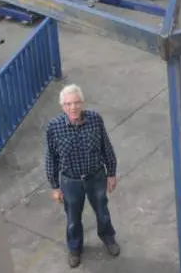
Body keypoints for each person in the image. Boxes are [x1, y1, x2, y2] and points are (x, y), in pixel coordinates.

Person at [45, 84, 120, 268]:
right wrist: (55, 186)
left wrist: (111, 174)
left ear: (82, 103)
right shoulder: (54, 128)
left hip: (96, 177)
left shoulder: (95, 119)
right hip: (70, 182)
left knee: (102, 211)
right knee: (72, 219)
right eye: (68, 104)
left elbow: (106, 148)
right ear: (62, 106)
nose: (73, 108)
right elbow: (51, 158)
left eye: (77, 103)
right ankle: (75, 248)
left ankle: (108, 238)